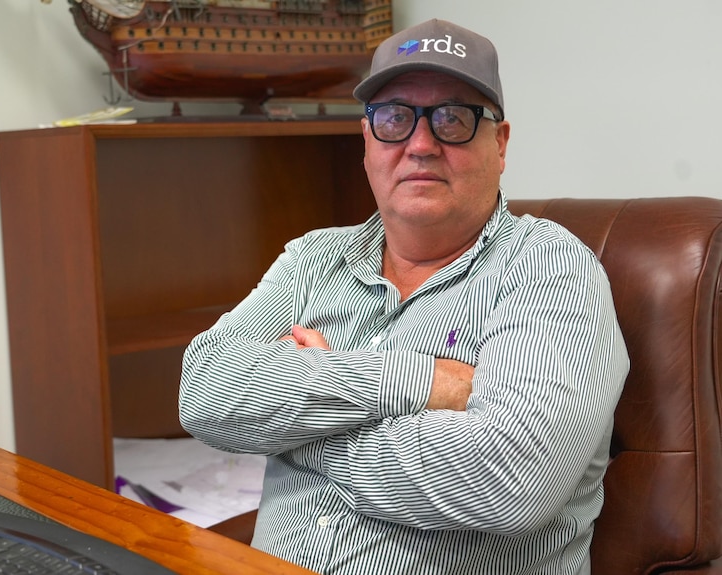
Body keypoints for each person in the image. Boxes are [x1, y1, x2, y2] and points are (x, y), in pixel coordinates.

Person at [179, 17, 628, 575]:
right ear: (367, 141)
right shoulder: (313, 259)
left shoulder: (550, 268)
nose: (420, 144)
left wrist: (298, 425)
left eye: (453, 119)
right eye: (394, 118)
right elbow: (201, 392)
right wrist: (424, 382)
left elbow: (507, 483)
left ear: (500, 142)